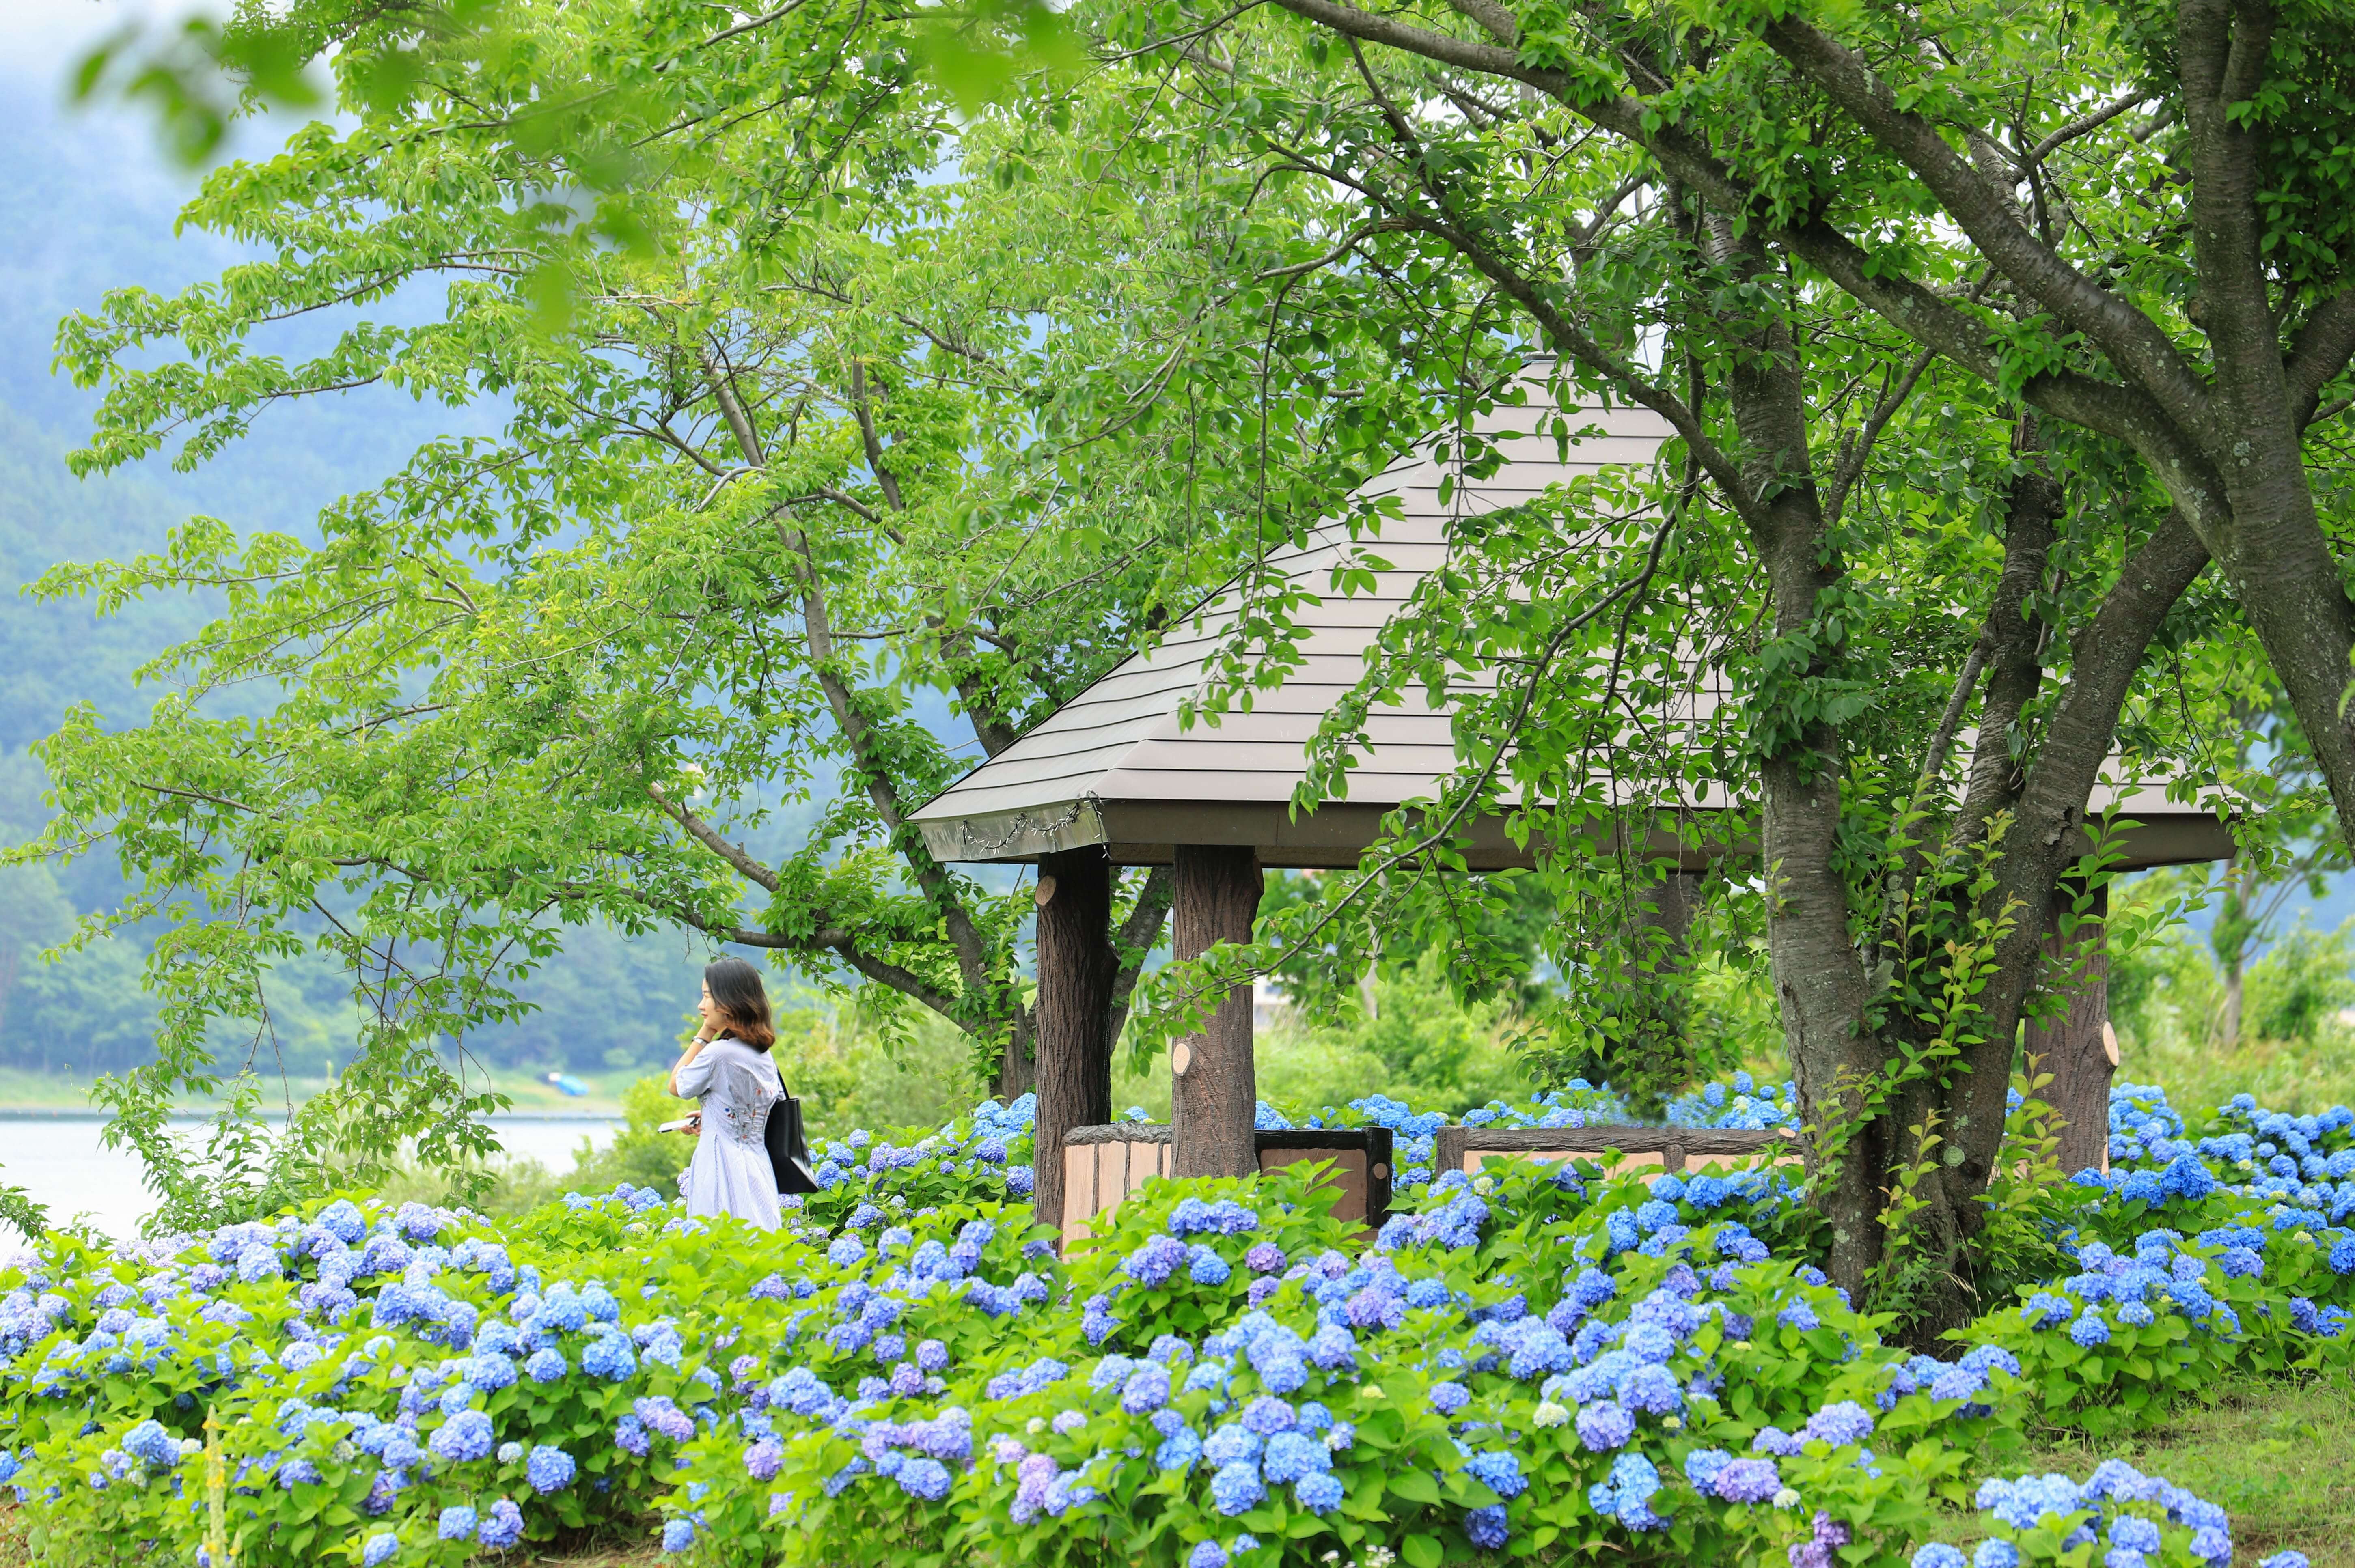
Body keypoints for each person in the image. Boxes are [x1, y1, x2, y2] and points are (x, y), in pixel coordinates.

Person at [668, 956, 785, 1230]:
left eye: (707, 996)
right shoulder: (763, 1055)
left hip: (721, 1166)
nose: (701, 1005)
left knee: (717, 1245)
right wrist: (714, 1114)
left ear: (728, 1001)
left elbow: (677, 1085)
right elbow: (755, 1108)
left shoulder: (719, 1053)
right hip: (757, 1166)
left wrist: (706, 1032)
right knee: (758, 1241)